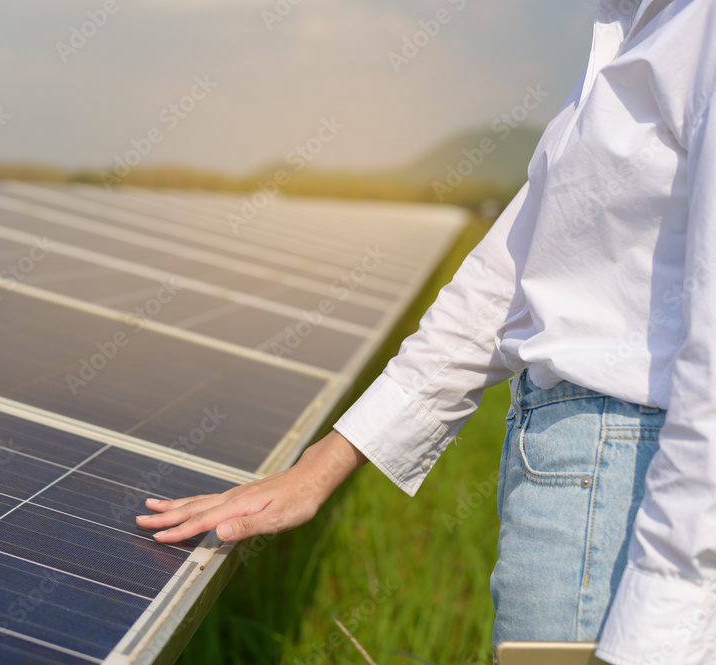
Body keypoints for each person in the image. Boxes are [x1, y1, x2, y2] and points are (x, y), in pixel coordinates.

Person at [136, 0, 716, 662]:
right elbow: (515, 271)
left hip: (624, 481)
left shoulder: (699, 31)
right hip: (583, 470)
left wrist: (658, 628)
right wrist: (325, 463)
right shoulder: (636, 29)